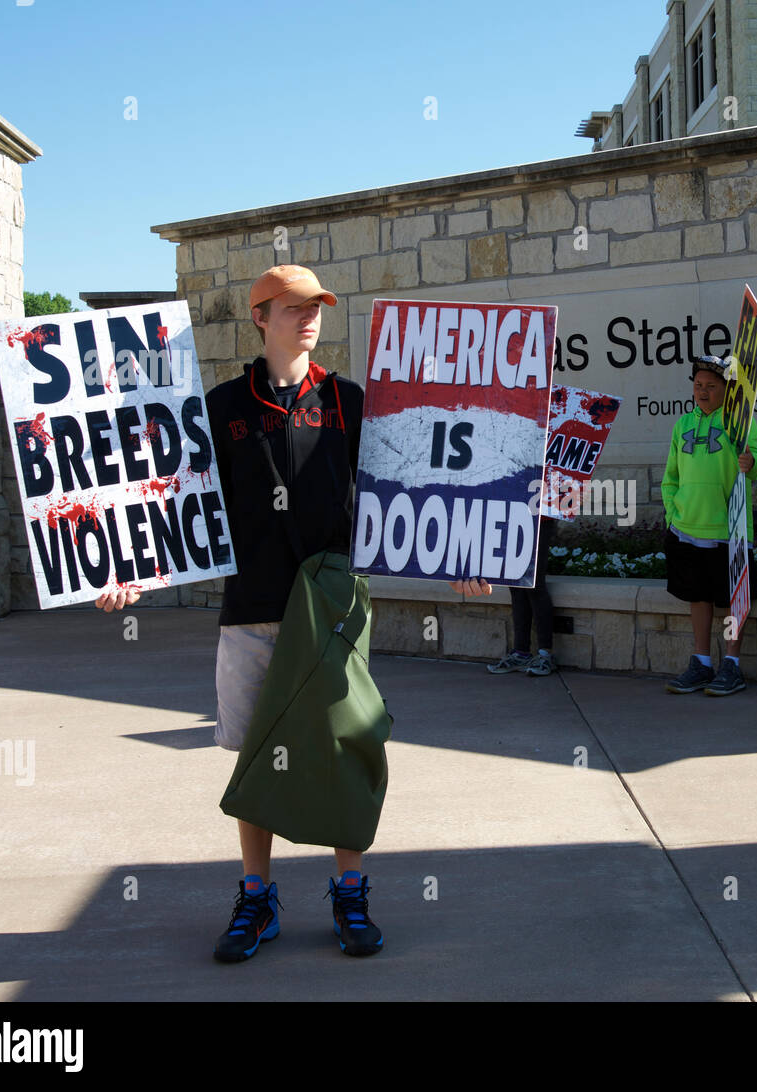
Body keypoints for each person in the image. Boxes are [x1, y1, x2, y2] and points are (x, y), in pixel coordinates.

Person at [97, 264, 489, 963]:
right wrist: (131, 567)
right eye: (293, 307)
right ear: (260, 317)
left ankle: (349, 891)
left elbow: (399, 487)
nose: (309, 317)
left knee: (341, 749)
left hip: (332, 611)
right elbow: (171, 496)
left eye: (317, 306)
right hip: (251, 606)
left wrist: (455, 553)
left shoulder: (347, 401)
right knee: (255, 758)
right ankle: (257, 897)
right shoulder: (219, 408)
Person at [660, 354, 757, 697]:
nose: (702, 392)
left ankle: (731, 665)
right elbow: (670, 478)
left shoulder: (740, 423)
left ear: (726, 389)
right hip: (687, 529)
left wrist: (751, 462)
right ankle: (701, 662)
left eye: (711, 386)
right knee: (698, 597)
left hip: (729, 529)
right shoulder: (680, 425)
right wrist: (673, 515)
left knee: (735, 600)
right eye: (698, 385)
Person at [488, 516, 557, 676]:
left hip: (540, 518)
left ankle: (546, 654)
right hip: (512, 516)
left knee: (535, 584)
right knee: (516, 584)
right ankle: (521, 652)